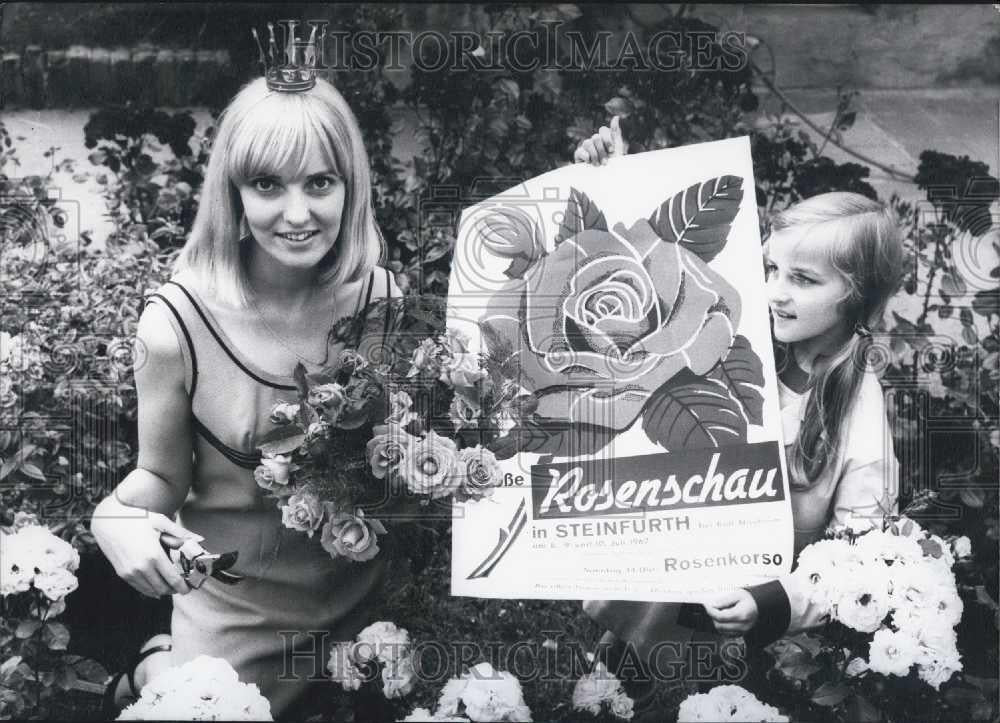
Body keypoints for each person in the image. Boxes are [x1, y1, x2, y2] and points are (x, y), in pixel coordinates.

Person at [91, 73, 400, 719]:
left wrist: (600, 182)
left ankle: (154, 663)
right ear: (233, 193)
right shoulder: (177, 325)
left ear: (351, 186)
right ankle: (157, 665)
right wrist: (112, 520)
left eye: (320, 182)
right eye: (267, 185)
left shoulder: (382, 302)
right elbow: (158, 477)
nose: (297, 213)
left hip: (369, 617)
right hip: (237, 621)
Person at [574, 123, 902, 701]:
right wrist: (620, 180)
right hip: (651, 602)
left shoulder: (858, 406)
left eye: (802, 279)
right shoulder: (742, 334)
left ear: (859, 296)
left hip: (747, 640)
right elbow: (658, 270)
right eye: (772, 269)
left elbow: (861, 553)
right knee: (620, 701)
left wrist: (771, 603)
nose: (775, 290)